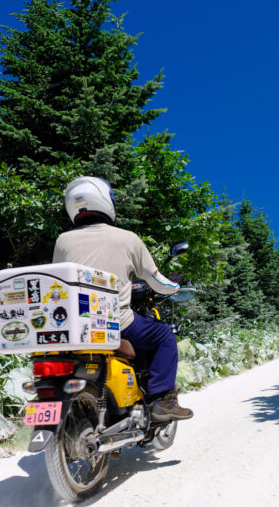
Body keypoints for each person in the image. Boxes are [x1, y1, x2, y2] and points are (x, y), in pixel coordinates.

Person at [53, 176, 193, 422]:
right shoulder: (127, 238)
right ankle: (163, 399)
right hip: (115, 322)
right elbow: (156, 281)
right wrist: (175, 285)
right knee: (164, 336)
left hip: (72, 325)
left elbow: (58, 279)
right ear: (106, 201)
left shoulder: (63, 240)